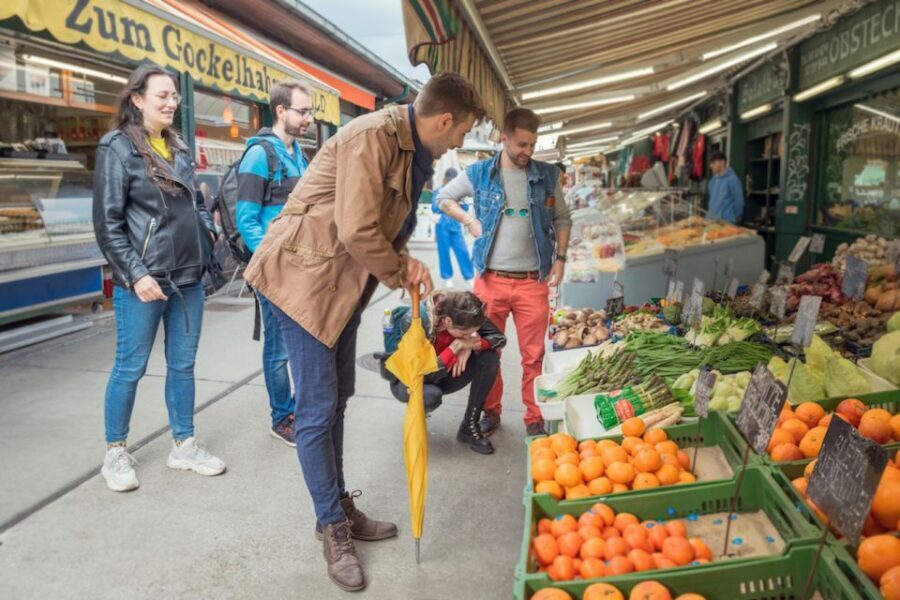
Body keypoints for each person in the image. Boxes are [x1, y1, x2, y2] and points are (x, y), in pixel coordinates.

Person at [243, 72, 485, 592]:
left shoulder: (412, 149)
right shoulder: (370, 136)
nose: (459, 144)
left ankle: (336, 506)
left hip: (342, 282)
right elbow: (356, 228)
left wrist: (401, 262)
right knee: (316, 407)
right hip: (303, 281)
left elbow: (376, 227)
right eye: (461, 133)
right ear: (443, 120)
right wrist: (400, 271)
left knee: (338, 398)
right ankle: (331, 525)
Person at [93, 64, 225, 492]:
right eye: (162, 96)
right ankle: (115, 452)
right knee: (130, 368)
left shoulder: (178, 147)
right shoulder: (117, 148)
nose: (171, 103)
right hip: (145, 284)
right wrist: (134, 273)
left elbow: (197, 203)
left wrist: (207, 231)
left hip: (188, 279)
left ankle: (183, 444)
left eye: (174, 97)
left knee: (183, 366)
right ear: (137, 100)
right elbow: (108, 224)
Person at [437, 107, 572, 438]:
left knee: (534, 355)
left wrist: (560, 259)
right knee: (487, 350)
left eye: (532, 145)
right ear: (504, 138)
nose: (528, 152)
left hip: (532, 281)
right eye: (522, 144)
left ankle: (534, 417)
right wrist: (469, 220)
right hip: (490, 281)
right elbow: (443, 197)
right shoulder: (481, 172)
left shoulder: (547, 175)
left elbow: (563, 219)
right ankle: (491, 410)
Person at [236, 80, 313, 447]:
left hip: (300, 267)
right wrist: (269, 259)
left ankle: (298, 409)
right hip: (274, 269)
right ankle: (282, 417)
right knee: (279, 347)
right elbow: (246, 218)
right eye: (303, 111)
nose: (309, 118)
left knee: (300, 343)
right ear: (281, 111)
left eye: (311, 111)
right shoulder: (259, 155)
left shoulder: (299, 153)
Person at [383, 291, 505, 454]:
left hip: (444, 371)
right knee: (430, 396)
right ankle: (416, 417)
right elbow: (422, 374)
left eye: (470, 333)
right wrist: (455, 347)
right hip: (411, 381)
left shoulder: (466, 311)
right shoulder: (417, 322)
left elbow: (499, 338)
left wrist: (469, 344)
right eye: (463, 334)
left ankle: (469, 426)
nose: (468, 336)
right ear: (447, 321)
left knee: (489, 358)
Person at [431, 167, 474, 288]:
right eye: (449, 180)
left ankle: (469, 277)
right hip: (442, 227)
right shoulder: (438, 192)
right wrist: (447, 203)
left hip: (456, 227)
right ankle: (447, 277)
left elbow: (465, 208)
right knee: (444, 253)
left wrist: (458, 203)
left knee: (463, 252)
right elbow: (434, 208)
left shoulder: (459, 192)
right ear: (445, 179)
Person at [707, 151, 744, 223]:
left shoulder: (733, 180)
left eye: (713, 163)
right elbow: (712, 202)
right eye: (710, 163)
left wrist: (734, 218)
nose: (711, 166)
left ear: (722, 162)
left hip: (727, 222)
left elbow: (739, 202)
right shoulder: (712, 181)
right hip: (711, 221)